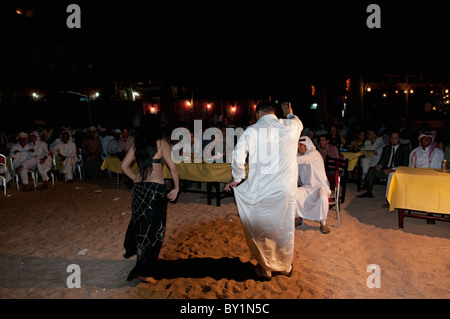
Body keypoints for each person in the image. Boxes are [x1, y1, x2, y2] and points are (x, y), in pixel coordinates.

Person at [225, 101, 302, 280]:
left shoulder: (252, 130)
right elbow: (298, 122)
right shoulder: (291, 126)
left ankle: (265, 267)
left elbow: (237, 156)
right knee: (284, 228)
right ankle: (285, 267)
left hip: (262, 190)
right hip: (285, 190)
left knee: (263, 229)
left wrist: (237, 178)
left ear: (258, 112)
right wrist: (289, 113)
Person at [121, 114, 180, 283]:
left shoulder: (136, 144)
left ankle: (141, 265)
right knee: (155, 230)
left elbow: (124, 166)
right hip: (155, 190)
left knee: (141, 225)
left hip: (139, 190)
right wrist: (176, 188)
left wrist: (136, 179)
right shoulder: (161, 144)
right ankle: (143, 272)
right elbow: (173, 168)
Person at [294, 136, 332, 234]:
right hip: (307, 188)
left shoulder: (314, 154)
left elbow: (302, 160)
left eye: (301, 145)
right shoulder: (299, 156)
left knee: (323, 197)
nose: (299, 147)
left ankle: (323, 223)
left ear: (307, 145)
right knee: (294, 194)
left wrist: (288, 157)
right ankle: (298, 217)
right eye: (298, 145)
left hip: (320, 186)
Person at [357, 131, 409, 199]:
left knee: (391, 173)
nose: (392, 139)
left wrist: (391, 169)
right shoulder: (386, 148)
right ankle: (369, 192)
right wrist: (379, 165)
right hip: (386, 168)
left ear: (400, 139)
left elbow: (405, 164)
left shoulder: (404, 149)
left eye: (395, 138)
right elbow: (382, 160)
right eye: (391, 138)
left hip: (397, 170)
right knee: (371, 170)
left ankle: (391, 197)